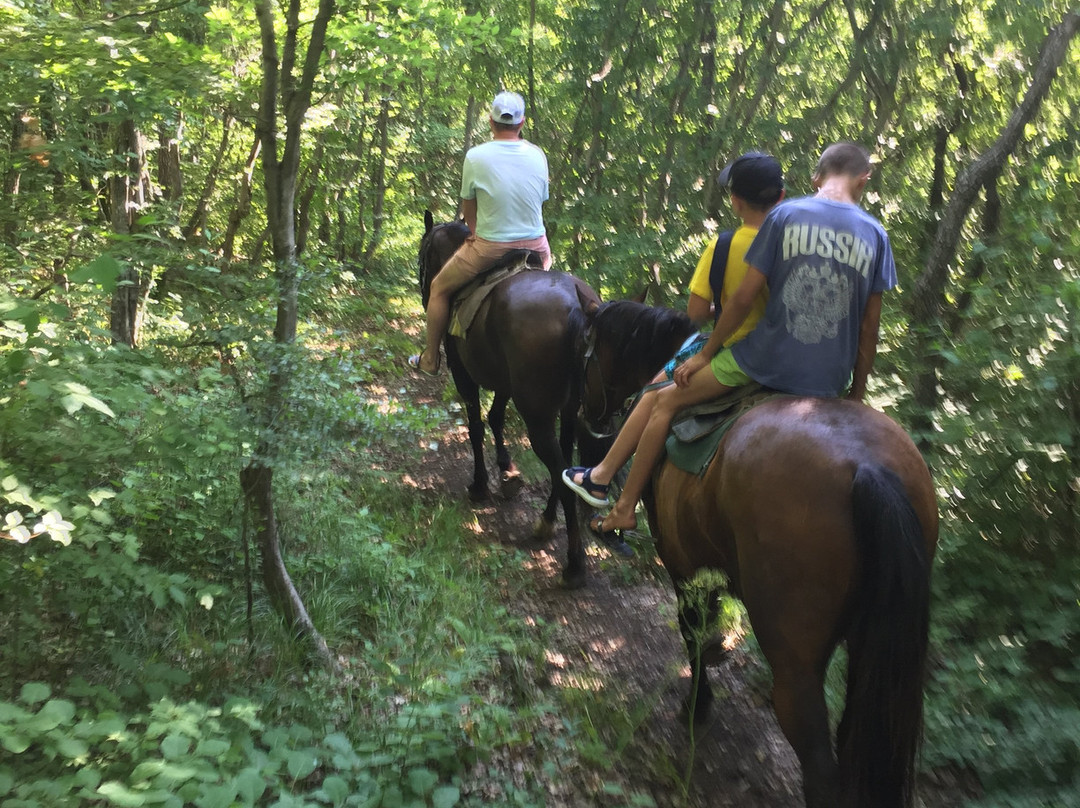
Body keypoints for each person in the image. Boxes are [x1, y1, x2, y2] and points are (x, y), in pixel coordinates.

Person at [565, 141, 896, 539]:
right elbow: (868, 328)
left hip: (765, 362)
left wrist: (705, 354)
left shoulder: (787, 217)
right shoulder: (876, 235)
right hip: (829, 379)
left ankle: (621, 505)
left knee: (665, 398)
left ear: (815, 178)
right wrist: (856, 396)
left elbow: (740, 300)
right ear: (865, 179)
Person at [563, 151, 786, 510]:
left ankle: (604, 480)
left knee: (655, 393)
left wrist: (720, 310)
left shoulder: (724, 245)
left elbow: (696, 313)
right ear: (781, 196)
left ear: (735, 201)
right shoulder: (791, 243)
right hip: (790, 353)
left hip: (737, 352)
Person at [409, 91, 552, 375]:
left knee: (438, 288)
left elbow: (469, 209)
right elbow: (540, 201)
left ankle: (429, 359)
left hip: (491, 247)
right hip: (538, 247)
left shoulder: (476, 156)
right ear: (522, 123)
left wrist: (474, 232)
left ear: (491, 122)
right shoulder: (537, 154)